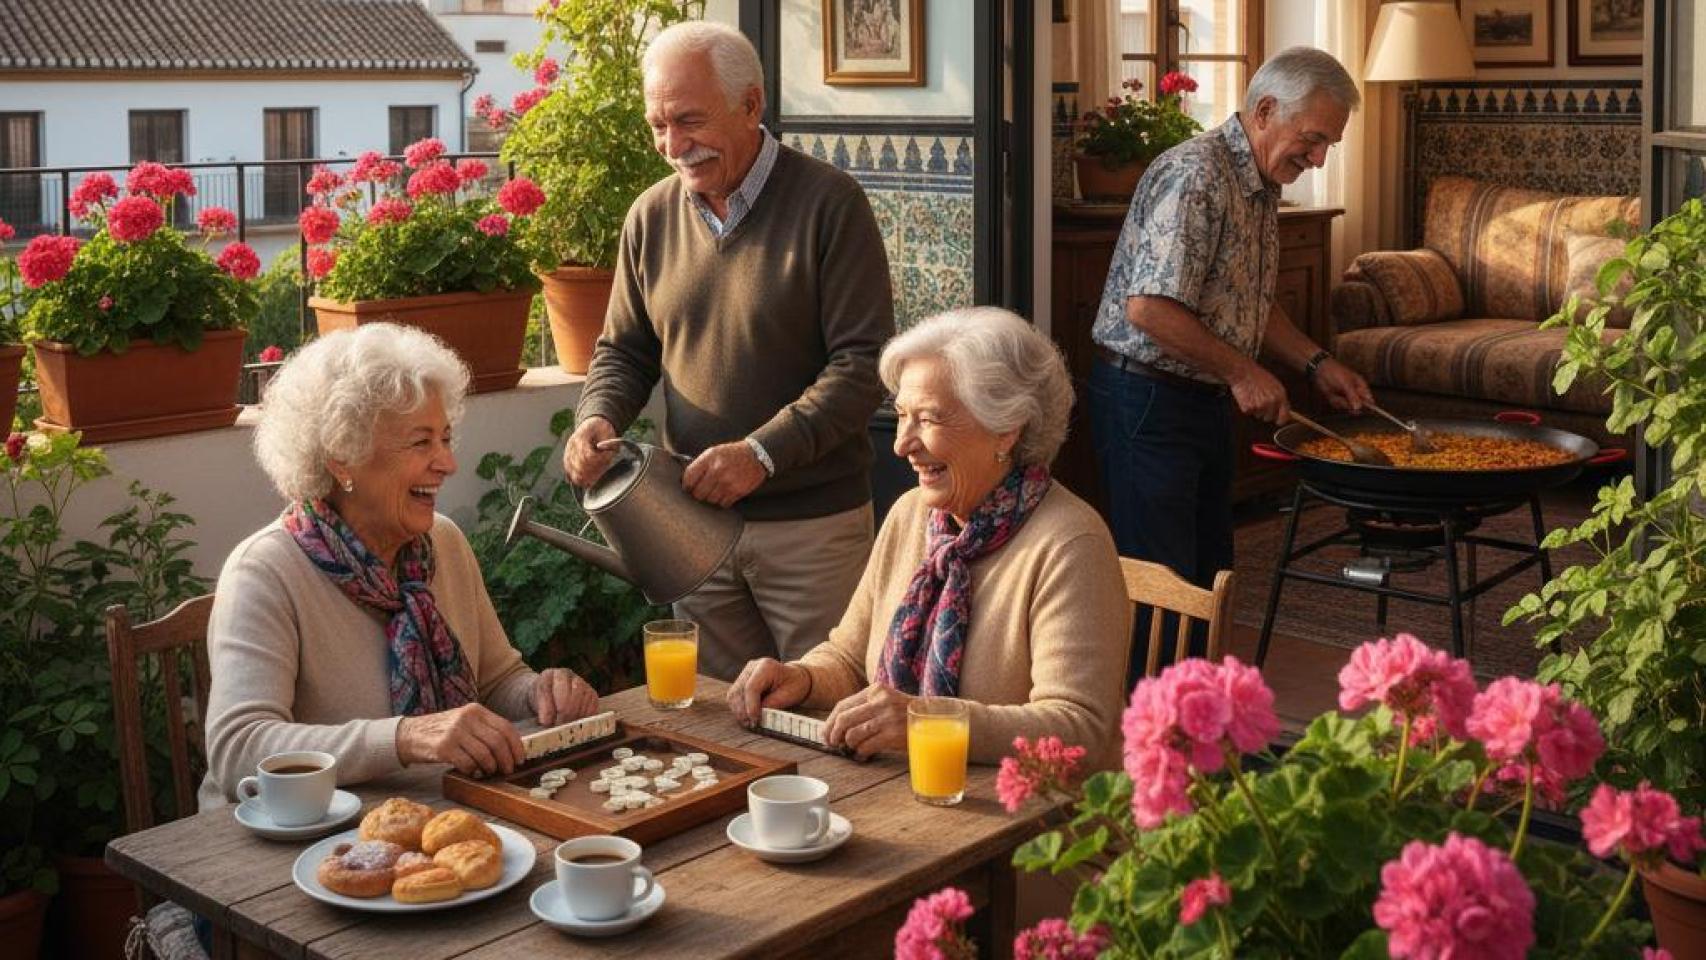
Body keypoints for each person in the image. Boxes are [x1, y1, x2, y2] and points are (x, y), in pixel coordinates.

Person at [565, 21, 894, 681]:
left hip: (812, 528)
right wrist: (595, 417)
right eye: (658, 126)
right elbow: (624, 351)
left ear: (751, 105)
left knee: (826, 711)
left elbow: (863, 368)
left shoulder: (831, 204)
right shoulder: (649, 216)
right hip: (690, 529)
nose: (672, 146)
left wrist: (761, 454)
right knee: (715, 720)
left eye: (689, 120)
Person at [200, 324, 601, 809]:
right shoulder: (265, 571)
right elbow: (238, 749)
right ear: (343, 458)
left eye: (446, 438)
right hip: (289, 835)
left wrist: (541, 692)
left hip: (431, 816)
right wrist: (405, 738)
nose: (447, 463)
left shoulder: (442, 543)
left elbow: (497, 680)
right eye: (421, 443)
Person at [726, 308, 1129, 766]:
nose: (902, 444)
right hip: (901, 786)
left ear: (1005, 429)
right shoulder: (912, 514)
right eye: (901, 416)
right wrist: (803, 679)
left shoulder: (1071, 544)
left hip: (1023, 803)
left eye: (929, 419)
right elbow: (850, 658)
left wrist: (927, 721)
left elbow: (1079, 727)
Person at [1088, 46, 1374, 682]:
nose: (1319, 158)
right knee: (1163, 587)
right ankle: (1149, 728)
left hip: (1199, 396)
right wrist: (1243, 372)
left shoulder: (1260, 182)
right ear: (1265, 110)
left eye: (1329, 145)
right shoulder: (1195, 175)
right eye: (1312, 139)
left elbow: (1249, 302)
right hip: (1147, 400)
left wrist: (1316, 363)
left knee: (1207, 577)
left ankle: (1196, 717)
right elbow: (1149, 308)